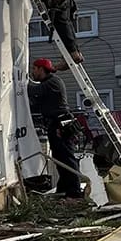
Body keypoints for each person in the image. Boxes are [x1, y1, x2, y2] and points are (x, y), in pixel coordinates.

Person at [28, 58, 84, 198]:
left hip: (61, 124)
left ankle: (74, 191)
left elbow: (31, 90)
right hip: (56, 124)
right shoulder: (48, 83)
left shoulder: (52, 82)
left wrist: (21, 79)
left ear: (41, 69)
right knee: (60, 158)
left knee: (66, 158)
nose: (32, 72)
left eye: (34, 69)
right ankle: (64, 188)